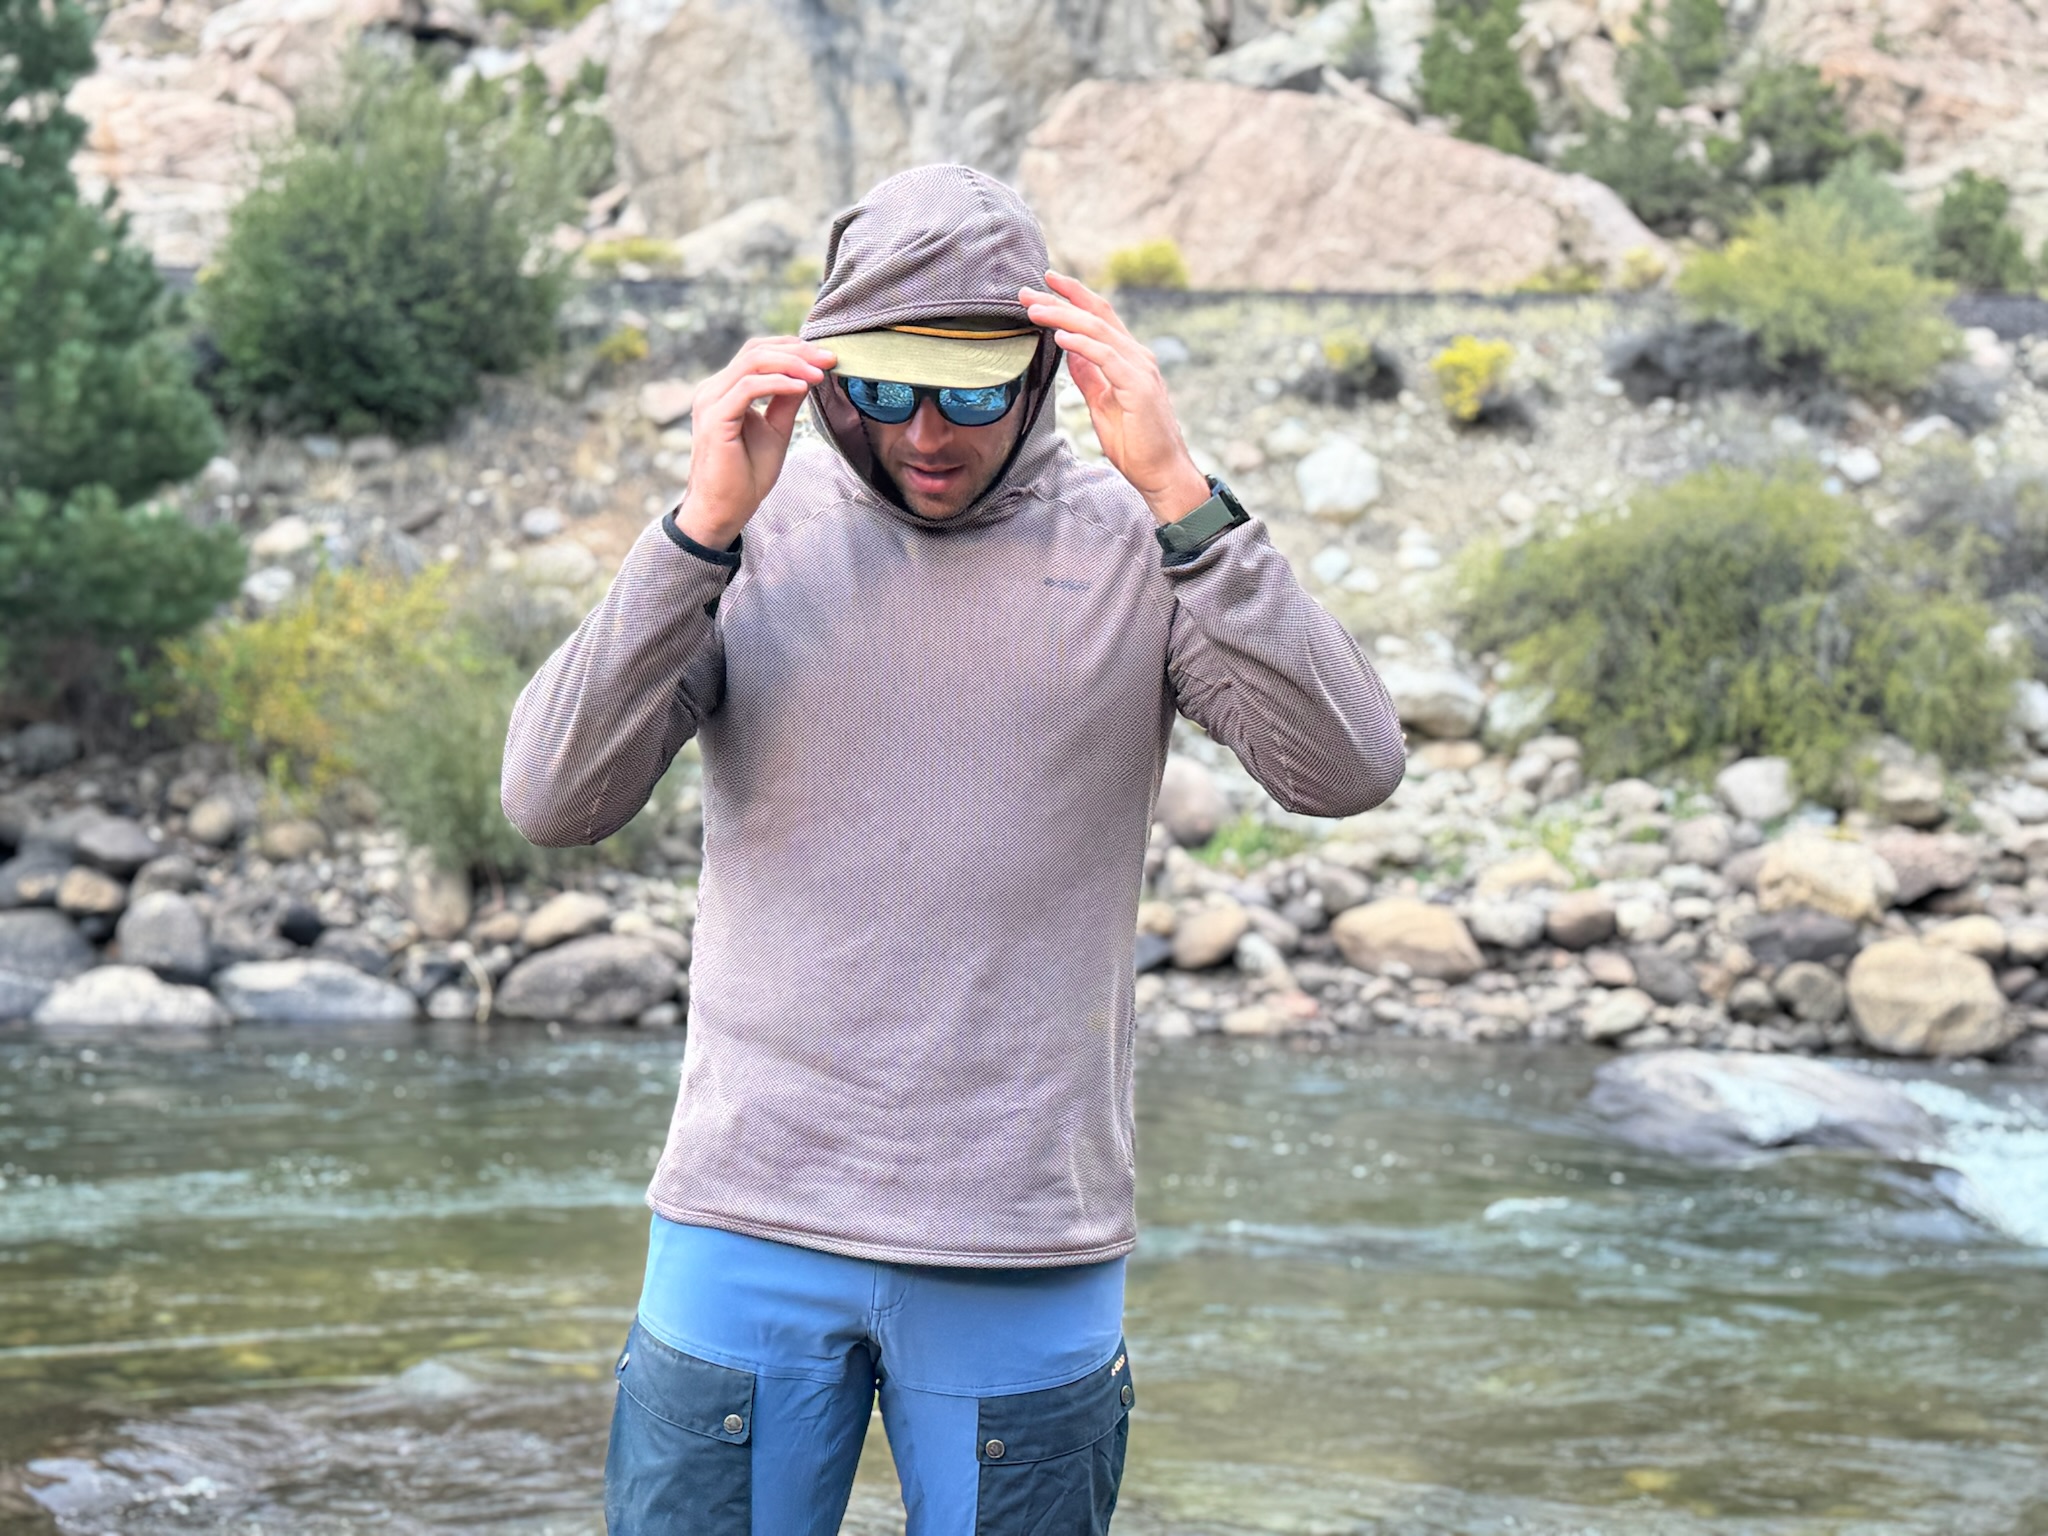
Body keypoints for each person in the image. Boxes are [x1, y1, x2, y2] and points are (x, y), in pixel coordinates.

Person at [500, 164, 1406, 1535]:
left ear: (1044, 375)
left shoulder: (1141, 549)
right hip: (747, 1221)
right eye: (888, 390)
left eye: (973, 392)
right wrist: (695, 533)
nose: (930, 432)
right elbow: (552, 798)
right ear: (825, 378)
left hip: (1023, 1238)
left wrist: (1179, 487)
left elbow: (1346, 769)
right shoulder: (741, 545)